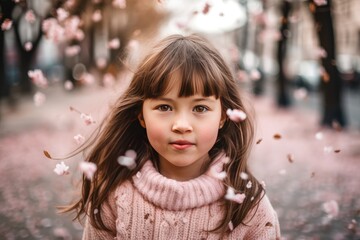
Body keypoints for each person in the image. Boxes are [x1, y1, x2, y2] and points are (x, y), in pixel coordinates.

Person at [63, 34, 280, 239]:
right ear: (141, 116)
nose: (181, 125)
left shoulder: (249, 207)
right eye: (165, 107)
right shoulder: (112, 195)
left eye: (201, 108)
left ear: (223, 117)